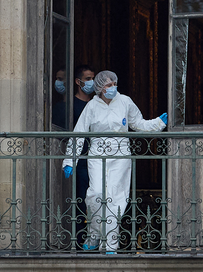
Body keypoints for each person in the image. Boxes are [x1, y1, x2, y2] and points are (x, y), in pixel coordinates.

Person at [62, 70, 168, 253]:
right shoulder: (92, 106)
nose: (112, 88)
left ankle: (110, 244)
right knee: (95, 194)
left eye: (114, 84)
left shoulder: (125, 101)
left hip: (120, 155)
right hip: (97, 154)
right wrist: (70, 160)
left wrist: (157, 123)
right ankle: (94, 236)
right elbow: (79, 133)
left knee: (115, 199)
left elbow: (138, 124)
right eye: (108, 85)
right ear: (99, 87)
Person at [58, 65, 96, 247]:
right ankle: (80, 240)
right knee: (82, 200)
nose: (91, 82)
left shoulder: (97, 103)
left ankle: (98, 238)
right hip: (80, 159)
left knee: (99, 199)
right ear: (78, 81)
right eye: (88, 79)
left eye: (93, 78)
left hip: (97, 157)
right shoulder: (70, 105)